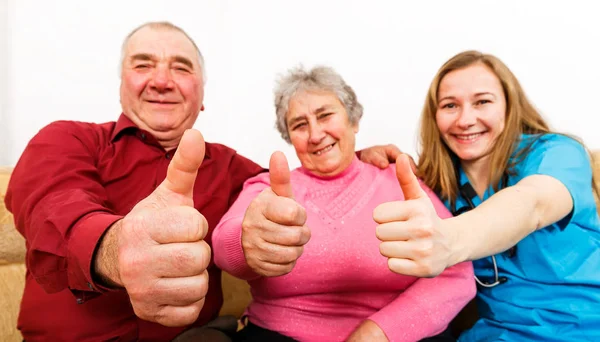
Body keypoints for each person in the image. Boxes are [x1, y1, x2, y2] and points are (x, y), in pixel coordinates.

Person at [4, 22, 401, 341]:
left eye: (181, 67)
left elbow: (298, 188)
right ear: (121, 85)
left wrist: (358, 161)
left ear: (202, 95)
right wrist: (115, 249)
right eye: (143, 65)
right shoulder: (66, 139)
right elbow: (52, 207)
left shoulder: (235, 170)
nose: (161, 80)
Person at [212, 65, 476, 342]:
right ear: (290, 137)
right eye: (300, 125)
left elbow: (456, 273)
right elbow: (225, 245)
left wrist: (380, 332)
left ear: (353, 120)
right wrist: (248, 241)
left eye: (325, 115)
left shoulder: (401, 181)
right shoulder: (269, 188)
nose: (315, 135)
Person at [376, 50, 600, 341]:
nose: (465, 120)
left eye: (482, 101)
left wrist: (451, 238)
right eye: (450, 105)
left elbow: (533, 204)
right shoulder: (437, 187)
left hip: (583, 329)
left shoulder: (557, 153)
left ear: (509, 106)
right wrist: (360, 161)